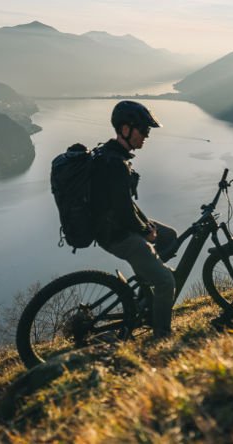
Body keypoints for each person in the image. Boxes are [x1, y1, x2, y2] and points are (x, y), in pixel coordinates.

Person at [90, 100, 178, 339]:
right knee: (166, 282)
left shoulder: (111, 155)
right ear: (125, 129)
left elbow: (126, 203)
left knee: (169, 236)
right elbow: (123, 210)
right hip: (116, 235)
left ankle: (147, 284)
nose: (147, 135)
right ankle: (162, 336)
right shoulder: (115, 164)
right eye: (143, 130)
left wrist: (146, 225)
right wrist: (144, 231)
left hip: (112, 224)